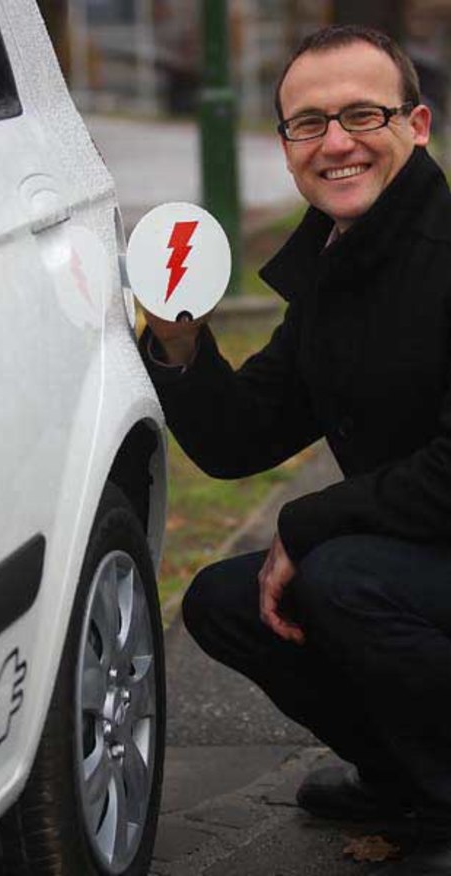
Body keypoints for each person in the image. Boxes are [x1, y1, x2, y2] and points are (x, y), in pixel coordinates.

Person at [139, 23, 451, 876]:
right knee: (223, 600)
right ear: (285, 145)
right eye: (309, 123)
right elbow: (241, 436)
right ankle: (405, 779)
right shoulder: (340, 261)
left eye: (362, 114)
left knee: (341, 574)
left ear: (417, 125)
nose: (335, 142)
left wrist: (307, 523)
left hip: (419, 556)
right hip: (421, 557)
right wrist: (179, 339)